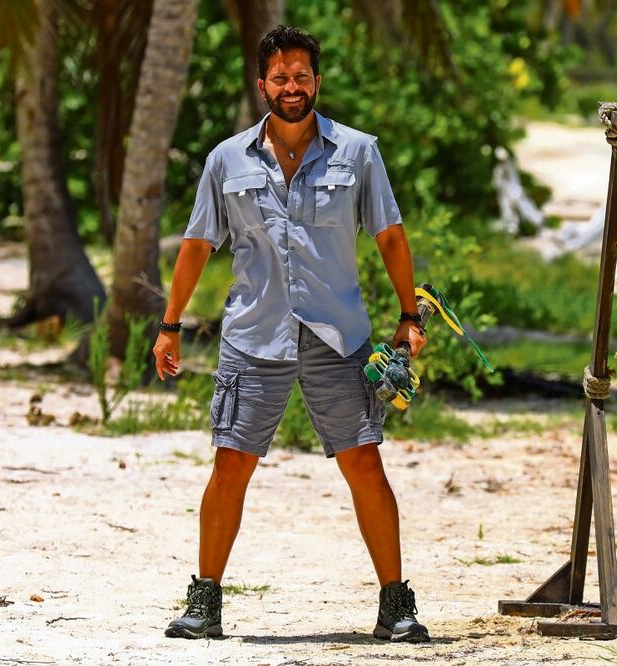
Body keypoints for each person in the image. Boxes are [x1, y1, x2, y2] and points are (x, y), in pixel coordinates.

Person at [153, 25, 429, 643]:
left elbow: (389, 235)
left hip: (340, 334)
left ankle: (396, 605)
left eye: (301, 76)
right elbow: (198, 244)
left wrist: (409, 316)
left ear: (317, 82)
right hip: (255, 336)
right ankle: (205, 603)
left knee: (364, 464)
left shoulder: (359, 152)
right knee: (231, 465)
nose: (292, 87)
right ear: (262, 86)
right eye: (280, 77)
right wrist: (169, 325)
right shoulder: (226, 159)